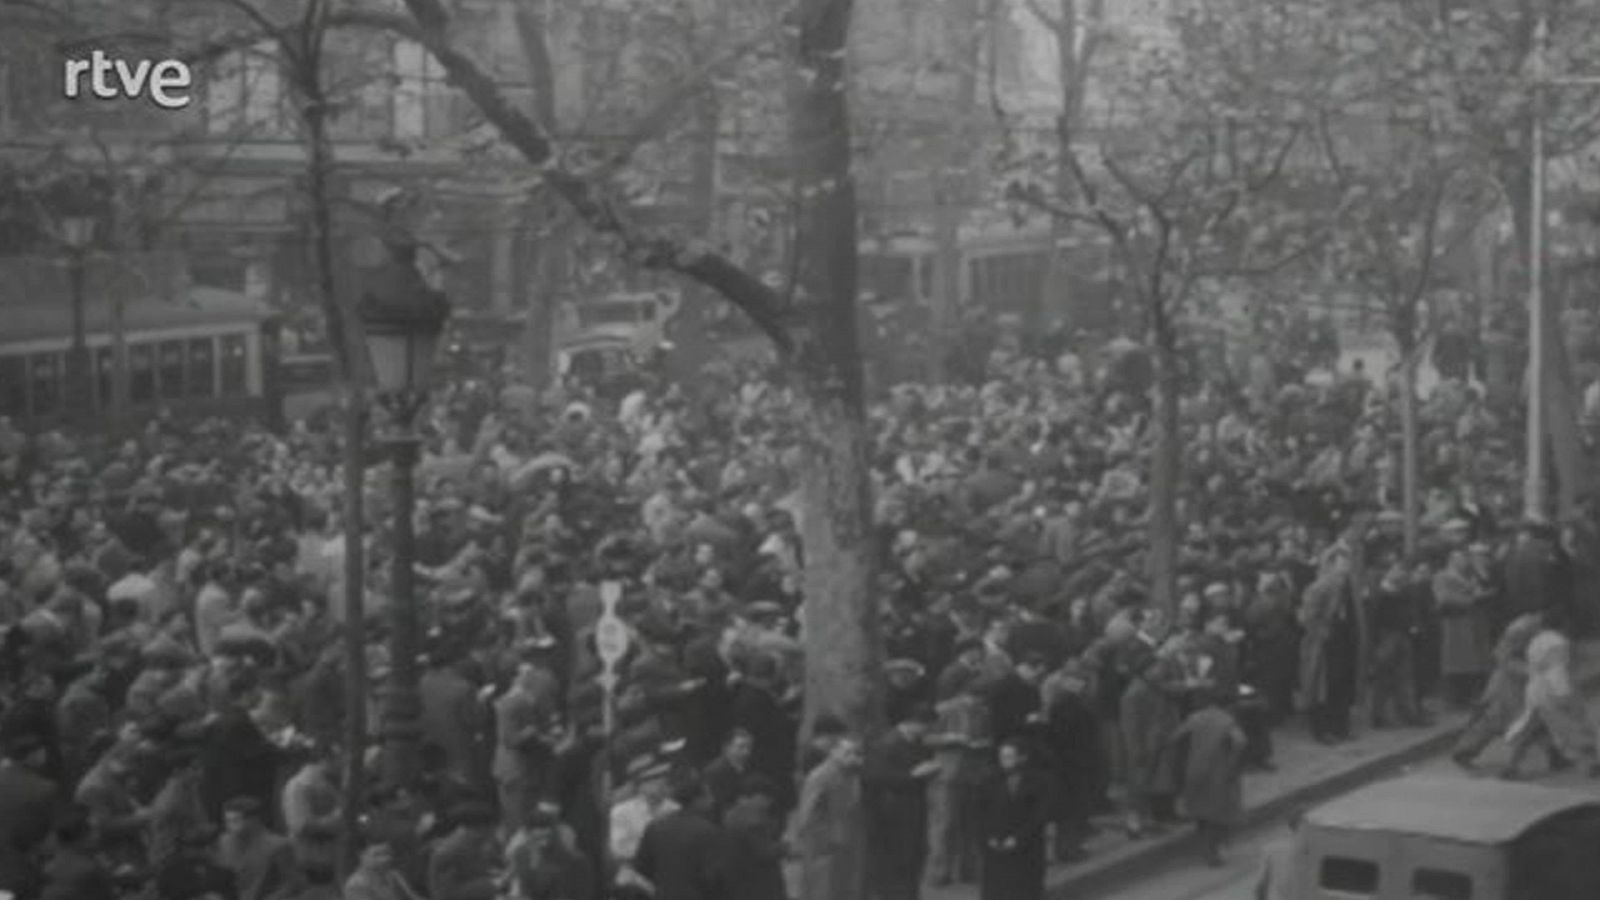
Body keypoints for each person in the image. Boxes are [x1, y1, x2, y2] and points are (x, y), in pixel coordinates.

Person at [1501, 611, 1600, 780]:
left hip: (1534, 689)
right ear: (1563, 624)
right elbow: (1557, 670)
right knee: (1574, 726)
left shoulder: (1536, 641)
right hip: (1552, 690)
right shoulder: (1558, 642)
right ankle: (1590, 764)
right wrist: (1564, 693)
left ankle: (1511, 765)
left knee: (1529, 728)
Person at [863, 705, 940, 900]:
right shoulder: (887, 744)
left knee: (913, 858)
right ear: (914, 723)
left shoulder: (917, 742)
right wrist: (913, 776)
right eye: (927, 726)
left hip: (913, 809)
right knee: (897, 862)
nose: (929, 731)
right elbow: (875, 777)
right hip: (892, 813)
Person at [1453, 613, 1542, 769]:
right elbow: (1503, 657)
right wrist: (1530, 671)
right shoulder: (1521, 629)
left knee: (1535, 718)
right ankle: (1467, 751)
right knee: (1509, 720)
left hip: (1519, 681)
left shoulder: (1535, 629)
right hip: (1507, 682)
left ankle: (1556, 755)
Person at [1171, 688, 1246, 867]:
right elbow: (1240, 741)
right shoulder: (1227, 720)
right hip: (1218, 773)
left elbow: (1176, 736)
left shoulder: (1196, 717)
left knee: (1200, 812)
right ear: (1229, 705)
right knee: (1218, 814)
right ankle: (1212, 852)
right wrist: (1232, 762)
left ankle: (1204, 848)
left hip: (1195, 770)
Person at [790, 734, 866, 900]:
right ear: (834, 752)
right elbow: (806, 815)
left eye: (856, 753)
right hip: (824, 845)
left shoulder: (852, 775)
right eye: (847, 752)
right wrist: (820, 840)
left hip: (848, 843)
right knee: (823, 890)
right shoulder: (819, 776)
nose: (852, 757)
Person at [977, 739, 1051, 900]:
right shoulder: (989, 780)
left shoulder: (1038, 781)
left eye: (1009, 757)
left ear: (1022, 758)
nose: (1004, 761)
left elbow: (1039, 815)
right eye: (1002, 757)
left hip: (1027, 848)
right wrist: (988, 837)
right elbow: (980, 813)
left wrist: (1018, 838)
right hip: (996, 849)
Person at [633, 775, 727, 900]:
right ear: (696, 799)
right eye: (708, 796)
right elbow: (715, 874)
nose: (712, 800)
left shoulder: (655, 826)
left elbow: (641, 867)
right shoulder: (708, 831)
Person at [716, 775, 787, 900]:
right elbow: (765, 852)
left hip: (738, 881)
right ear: (756, 796)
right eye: (767, 798)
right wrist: (785, 847)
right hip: (759, 883)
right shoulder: (753, 820)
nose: (769, 803)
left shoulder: (731, 814)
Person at [215, 796, 299, 900]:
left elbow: (293, 884)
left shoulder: (278, 846)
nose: (230, 827)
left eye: (235, 821)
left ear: (254, 820)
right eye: (227, 821)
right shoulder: (224, 842)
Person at [427, 802, 503, 900]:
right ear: (481, 828)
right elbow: (446, 894)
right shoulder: (450, 852)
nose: (493, 834)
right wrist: (489, 885)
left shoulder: (475, 845)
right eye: (492, 829)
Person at [343, 838, 425, 900]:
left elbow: (413, 897)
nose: (385, 859)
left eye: (387, 853)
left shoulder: (392, 875)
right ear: (361, 856)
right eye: (377, 855)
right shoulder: (356, 885)